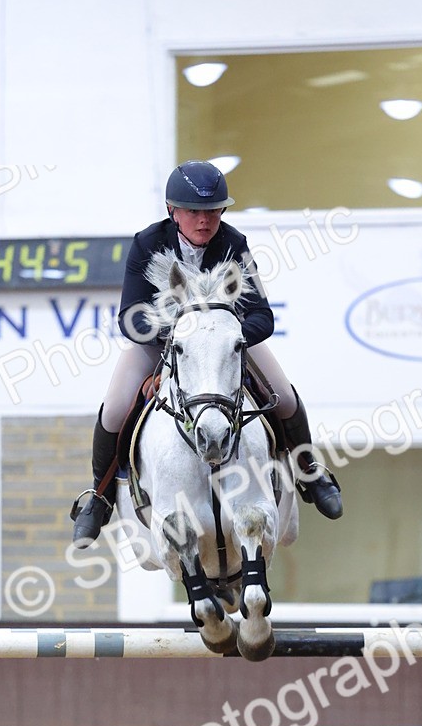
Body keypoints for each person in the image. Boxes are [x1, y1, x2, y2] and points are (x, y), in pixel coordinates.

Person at [71, 159, 342, 545]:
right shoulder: (147, 244)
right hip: (162, 344)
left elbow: (262, 316)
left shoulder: (234, 244)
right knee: (115, 408)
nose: (205, 220)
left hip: (225, 345)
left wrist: (224, 335)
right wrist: (181, 336)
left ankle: (310, 472)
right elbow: (130, 317)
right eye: (195, 212)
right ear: (172, 211)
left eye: (214, 211)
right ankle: (98, 498)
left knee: (283, 395)